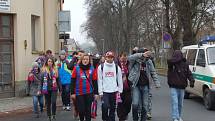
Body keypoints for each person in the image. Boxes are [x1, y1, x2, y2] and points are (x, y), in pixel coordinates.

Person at [128, 48, 160, 121]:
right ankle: (135, 119)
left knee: (145, 105)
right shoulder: (135, 61)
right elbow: (130, 58)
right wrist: (141, 54)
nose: (145, 57)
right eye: (144, 55)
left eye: (146, 55)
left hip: (145, 86)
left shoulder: (149, 62)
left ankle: (143, 119)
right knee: (135, 104)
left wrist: (157, 83)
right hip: (136, 85)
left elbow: (153, 72)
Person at [167, 50, 195, 121]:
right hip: (173, 86)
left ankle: (179, 116)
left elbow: (189, 73)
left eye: (179, 56)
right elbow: (169, 61)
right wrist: (177, 59)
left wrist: (192, 81)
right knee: (175, 102)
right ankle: (174, 117)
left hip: (182, 87)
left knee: (180, 104)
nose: (178, 57)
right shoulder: (172, 64)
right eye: (176, 56)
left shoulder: (185, 64)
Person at [71, 54, 99, 121]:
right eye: (84, 59)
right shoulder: (76, 68)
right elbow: (73, 81)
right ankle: (81, 119)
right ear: (81, 60)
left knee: (88, 110)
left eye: (87, 59)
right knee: (81, 110)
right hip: (79, 93)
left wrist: (96, 93)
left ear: (89, 60)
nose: (85, 61)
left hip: (89, 92)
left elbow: (95, 81)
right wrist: (72, 93)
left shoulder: (92, 68)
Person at [97, 51, 123, 121]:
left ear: (113, 58)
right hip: (105, 91)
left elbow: (120, 80)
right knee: (105, 107)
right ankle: (105, 119)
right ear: (106, 58)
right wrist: (100, 92)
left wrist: (120, 91)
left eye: (111, 57)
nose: (110, 59)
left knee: (112, 108)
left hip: (114, 91)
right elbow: (99, 80)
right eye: (108, 57)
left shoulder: (117, 67)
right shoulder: (101, 67)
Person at [117, 52, 132, 121]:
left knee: (128, 102)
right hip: (119, 88)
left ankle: (125, 113)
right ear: (119, 57)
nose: (123, 57)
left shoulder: (129, 64)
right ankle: (121, 117)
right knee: (120, 104)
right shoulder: (116, 65)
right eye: (121, 56)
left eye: (125, 56)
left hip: (127, 88)